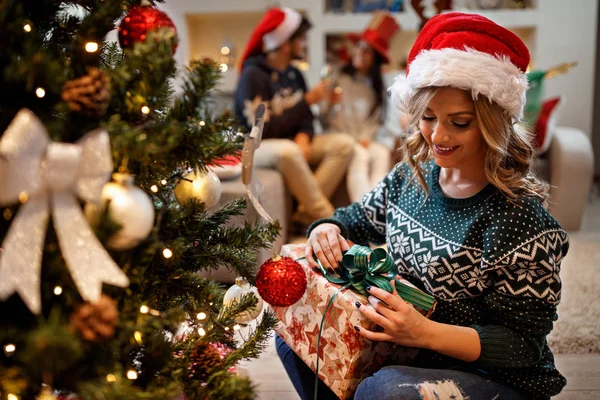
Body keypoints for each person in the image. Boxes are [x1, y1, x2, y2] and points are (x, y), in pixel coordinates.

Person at [277, 12, 568, 400]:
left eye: (460, 122)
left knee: (382, 390)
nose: (439, 135)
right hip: (412, 349)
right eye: (428, 118)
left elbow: (522, 346)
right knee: (298, 335)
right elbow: (355, 220)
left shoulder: (521, 222)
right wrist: (324, 229)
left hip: (493, 375)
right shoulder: (409, 179)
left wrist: (423, 332)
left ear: (493, 123)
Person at [234, 7, 354, 225]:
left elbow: (306, 118)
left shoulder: (294, 73)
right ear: (285, 44)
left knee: (343, 145)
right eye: (301, 39)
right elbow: (261, 129)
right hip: (255, 145)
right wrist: (306, 101)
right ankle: (329, 218)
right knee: (289, 151)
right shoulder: (253, 75)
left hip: (290, 141)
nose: (305, 44)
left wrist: (305, 135)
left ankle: (303, 213)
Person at [321, 12, 400, 203]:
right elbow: (324, 117)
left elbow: (376, 120)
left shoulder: (377, 87)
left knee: (380, 153)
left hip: (363, 139)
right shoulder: (337, 77)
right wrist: (328, 101)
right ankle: (363, 209)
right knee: (360, 156)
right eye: (359, 47)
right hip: (339, 137)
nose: (359, 53)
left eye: (367, 51)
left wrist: (366, 137)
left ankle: (379, 206)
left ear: (375, 59)